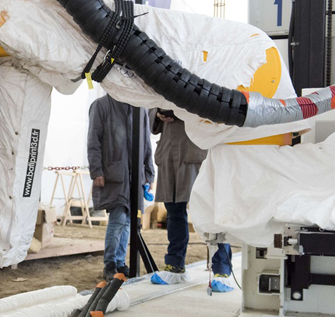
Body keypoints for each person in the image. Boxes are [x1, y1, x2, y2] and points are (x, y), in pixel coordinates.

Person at [148, 108, 233, 292]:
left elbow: (211, 108)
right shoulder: (161, 83)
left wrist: (178, 111)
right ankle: (175, 265)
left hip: (195, 153)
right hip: (170, 152)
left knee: (211, 211)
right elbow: (150, 111)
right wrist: (157, 113)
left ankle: (222, 269)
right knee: (174, 211)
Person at [87, 94, 154, 281]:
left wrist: (149, 171)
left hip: (135, 175)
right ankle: (110, 264)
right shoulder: (100, 106)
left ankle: (120, 262)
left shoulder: (140, 107)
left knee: (129, 221)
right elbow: (93, 140)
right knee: (118, 219)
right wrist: (96, 171)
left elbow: (146, 141)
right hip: (114, 173)